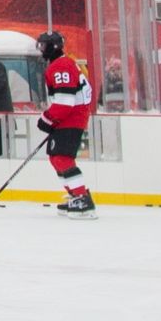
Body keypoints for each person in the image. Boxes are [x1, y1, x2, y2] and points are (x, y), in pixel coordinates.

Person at [37, 30, 97, 216]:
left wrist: (47, 119)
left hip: (70, 119)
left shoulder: (61, 66)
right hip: (69, 119)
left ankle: (82, 199)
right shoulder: (62, 63)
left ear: (53, 47)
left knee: (62, 158)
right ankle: (75, 195)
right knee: (56, 158)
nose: (41, 50)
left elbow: (65, 101)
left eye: (43, 46)